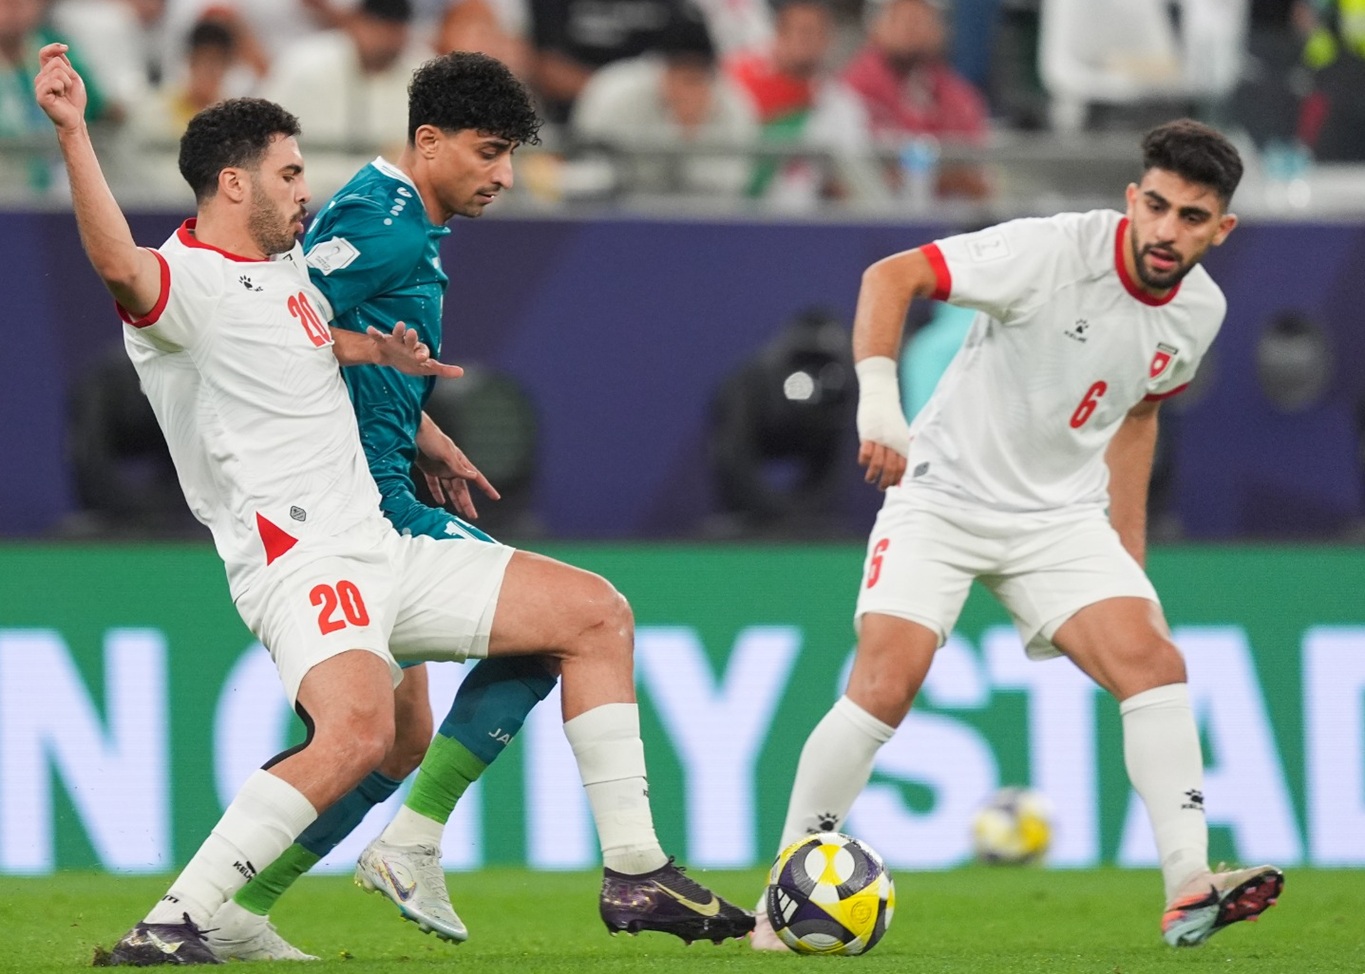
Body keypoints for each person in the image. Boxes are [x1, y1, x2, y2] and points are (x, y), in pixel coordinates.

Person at [33, 44, 752, 967]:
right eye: (289, 174)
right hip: (301, 556)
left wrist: (398, 388)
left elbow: (310, 349)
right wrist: (72, 131)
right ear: (231, 182)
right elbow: (116, 265)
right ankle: (175, 923)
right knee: (362, 731)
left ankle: (636, 870)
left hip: (375, 542)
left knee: (591, 615)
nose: (307, 191)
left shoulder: (286, 273)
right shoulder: (188, 285)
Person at [749, 118, 1284, 951]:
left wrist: (1126, 554)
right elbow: (890, 277)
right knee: (886, 682)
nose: (1165, 230)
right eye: (1156, 206)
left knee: (1154, 663)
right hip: (943, 496)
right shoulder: (1048, 251)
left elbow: (1136, 416)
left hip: (1059, 520)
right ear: (1130, 199)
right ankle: (780, 901)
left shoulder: (1198, 312)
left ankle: (1187, 885)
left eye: (1190, 217)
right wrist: (882, 409)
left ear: (1221, 229)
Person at [202, 51, 558, 961]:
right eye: (488, 153)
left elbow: (322, 334)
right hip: (355, 508)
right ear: (427, 141)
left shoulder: (398, 220)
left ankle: (232, 907)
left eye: (510, 155)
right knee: (567, 624)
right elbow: (280, 320)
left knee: (389, 743)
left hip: (373, 483)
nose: (504, 176)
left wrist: (418, 428)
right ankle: (407, 842)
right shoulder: (386, 224)